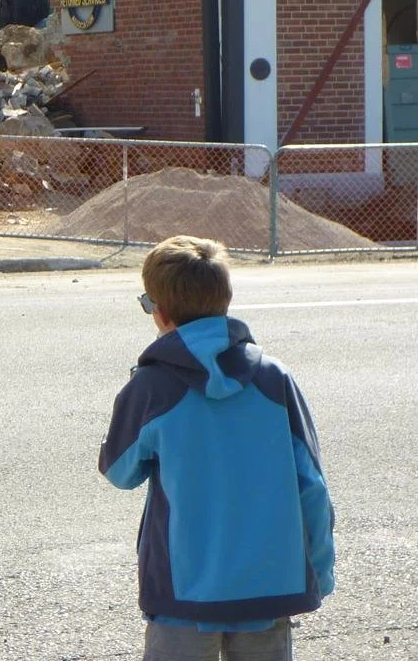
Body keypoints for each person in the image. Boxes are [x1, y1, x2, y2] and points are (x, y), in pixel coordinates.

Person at [100, 236, 335, 661]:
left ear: (161, 312)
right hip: (270, 586)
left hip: (182, 591)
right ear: (225, 300)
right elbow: (312, 485)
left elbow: (119, 470)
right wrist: (318, 571)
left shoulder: (152, 387)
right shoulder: (274, 379)